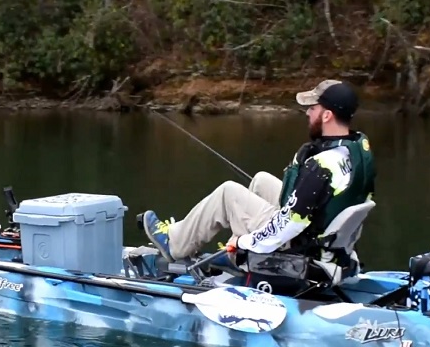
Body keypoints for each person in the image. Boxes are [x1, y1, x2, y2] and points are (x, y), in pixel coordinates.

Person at [141, 79, 376, 269]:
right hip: (326, 236)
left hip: (301, 246)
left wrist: (246, 243)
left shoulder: (322, 166)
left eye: (312, 109)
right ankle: (236, 250)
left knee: (228, 192)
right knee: (261, 180)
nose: (307, 114)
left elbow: (290, 224)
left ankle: (175, 243)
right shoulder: (357, 150)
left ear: (327, 116)